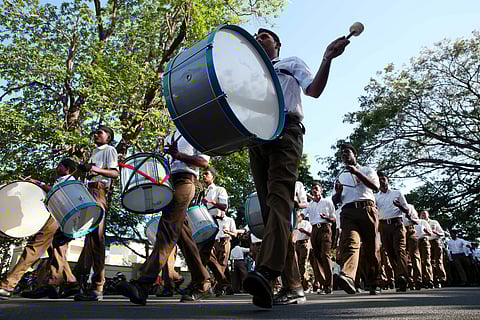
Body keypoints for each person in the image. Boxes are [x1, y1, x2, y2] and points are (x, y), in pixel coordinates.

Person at [243, 28, 350, 309]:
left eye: (264, 35)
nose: (258, 37)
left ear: (277, 43)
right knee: (270, 213)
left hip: (285, 131)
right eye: (255, 35)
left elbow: (313, 90)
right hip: (257, 138)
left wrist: (327, 58)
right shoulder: (249, 75)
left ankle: (266, 271)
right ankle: (293, 286)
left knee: (280, 201)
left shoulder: (290, 62)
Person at [118, 131, 212, 305]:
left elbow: (204, 162)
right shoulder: (171, 136)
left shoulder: (194, 133)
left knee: (167, 229)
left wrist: (179, 155)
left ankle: (143, 284)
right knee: (183, 236)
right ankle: (202, 281)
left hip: (186, 182)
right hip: (170, 183)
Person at [0, 159, 80, 300]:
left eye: (59, 166)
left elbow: (58, 193)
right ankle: (71, 283)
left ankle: (8, 285)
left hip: (56, 217)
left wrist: (39, 184)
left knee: (34, 248)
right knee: (56, 251)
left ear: (66, 169)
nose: (57, 168)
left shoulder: (69, 180)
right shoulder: (66, 180)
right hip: (62, 219)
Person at [73, 125, 119, 301]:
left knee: (97, 237)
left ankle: (98, 285)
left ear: (108, 137)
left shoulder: (109, 150)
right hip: (88, 191)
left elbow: (115, 173)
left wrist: (95, 170)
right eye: (96, 132)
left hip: (99, 191)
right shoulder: (94, 152)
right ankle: (84, 284)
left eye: (100, 132)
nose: (96, 134)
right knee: (90, 237)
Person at [332, 143, 381, 295]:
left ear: (355, 154)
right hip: (348, 212)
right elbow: (335, 200)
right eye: (342, 154)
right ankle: (347, 276)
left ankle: (374, 282)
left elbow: (375, 187)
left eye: (347, 152)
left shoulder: (367, 169)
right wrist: (338, 193)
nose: (344, 155)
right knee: (350, 243)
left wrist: (357, 173)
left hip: (367, 209)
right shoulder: (340, 176)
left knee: (371, 248)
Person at [198, 167, 233, 296]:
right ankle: (223, 283)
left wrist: (212, 201)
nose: (203, 176)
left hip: (214, 222)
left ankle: (202, 284)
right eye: (202, 174)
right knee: (206, 254)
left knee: (203, 253)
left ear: (213, 177)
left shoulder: (219, 190)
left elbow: (224, 206)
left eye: (206, 174)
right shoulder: (202, 192)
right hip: (203, 224)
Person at [374, 172, 409, 292]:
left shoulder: (397, 193)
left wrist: (399, 206)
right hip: (384, 226)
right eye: (379, 180)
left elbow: (407, 211)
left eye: (383, 179)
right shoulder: (376, 197)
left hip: (396, 224)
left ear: (388, 180)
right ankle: (399, 279)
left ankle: (402, 277)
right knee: (390, 252)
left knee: (400, 250)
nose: (381, 181)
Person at [303, 182, 336, 294]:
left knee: (325, 255)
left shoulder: (327, 202)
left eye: (316, 188)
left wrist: (327, 218)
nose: (314, 191)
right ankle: (322, 283)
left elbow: (334, 219)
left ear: (321, 190)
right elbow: (302, 215)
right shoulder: (310, 205)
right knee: (316, 257)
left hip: (325, 228)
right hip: (314, 230)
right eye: (312, 189)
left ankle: (329, 285)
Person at [420, 210, 447, 287]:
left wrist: (436, 233)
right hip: (425, 242)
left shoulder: (434, 222)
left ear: (428, 215)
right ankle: (431, 279)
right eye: (422, 214)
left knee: (438, 261)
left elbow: (442, 233)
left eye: (425, 214)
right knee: (427, 261)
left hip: (435, 241)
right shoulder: (420, 223)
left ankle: (442, 279)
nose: (423, 216)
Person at [403, 204, 423, 290]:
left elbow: (417, 221)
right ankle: (408, 281)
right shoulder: (389, 206)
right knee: (403, 257)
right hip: (397, 230)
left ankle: (418, 279)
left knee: (414, 255)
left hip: (410, 230)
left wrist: (409, 217)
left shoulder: (409, 207)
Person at [292, 212, 312, 292]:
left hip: (304, 243)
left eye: (298, 216)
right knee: (297, 265)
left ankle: (306, 285)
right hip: (296, 244)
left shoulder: (306, 223)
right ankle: (303, 284)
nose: (297, 217)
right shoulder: (294, 224)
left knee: (302, 264)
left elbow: (311, 234)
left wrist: (304, 231)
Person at [415, 214, 434, 288]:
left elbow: (430, 233)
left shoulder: (423, 222)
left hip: (423, 241)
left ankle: (429, 280)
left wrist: (426, 231)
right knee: (416, 261)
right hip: (415, 242)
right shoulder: (410, 222)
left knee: (426, 261)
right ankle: (418, 280)